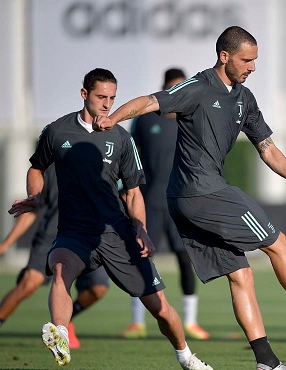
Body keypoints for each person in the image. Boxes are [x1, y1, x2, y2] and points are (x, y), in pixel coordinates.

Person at [94, 26, 286, 370]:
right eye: (247, 60)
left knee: (241, 275)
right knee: (278, 242)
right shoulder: (197, 87)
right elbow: (150, 101)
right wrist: (112, 119)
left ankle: (267, 362)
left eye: (255, 60)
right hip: (202, 190)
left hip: (190, 198)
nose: (253, 67)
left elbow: (266, 147)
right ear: (225, 56)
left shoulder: (244, 98)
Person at [8, 68, 213, 370]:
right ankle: (61, 335)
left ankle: (186, 357)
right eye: (101, 97)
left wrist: (141, 229)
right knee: (62, 268)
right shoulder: (57, 131)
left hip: (116, 232)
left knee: (162, 309)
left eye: (112, 98)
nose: (107, 104)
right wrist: (35, 196)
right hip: (74, 230)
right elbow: (36, 168)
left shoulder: (120, 137)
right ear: (84, 95)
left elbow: (132, 194)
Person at [0, 167, 109, 351]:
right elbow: (31, 210)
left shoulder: (95, 158)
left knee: (98, 288)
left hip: (87, 237)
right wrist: (6, 244)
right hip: (52, 236)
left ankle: (65, 321)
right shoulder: (48, 168)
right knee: (29, 284)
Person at [122, 68, 209, 341]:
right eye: (173, 88)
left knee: (186, 259)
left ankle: (191, 322)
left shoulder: (195, 119)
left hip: (181, 205)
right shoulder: (146, 120)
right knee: (141, 258)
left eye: (183, 88)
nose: (178, 93)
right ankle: (137, 321)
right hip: (149, 203)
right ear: (164, 90)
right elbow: (130, 158)